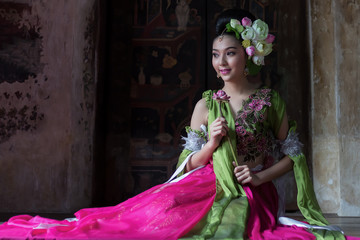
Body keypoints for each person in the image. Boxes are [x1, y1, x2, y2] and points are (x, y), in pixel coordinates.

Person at [0, 8, 358, 240]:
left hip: (251, 191)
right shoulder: (206, 103)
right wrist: (210, 145)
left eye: (230, 53)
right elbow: (187, 166)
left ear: (248, 55)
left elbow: (293, 156)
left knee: (228, 225)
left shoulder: (269, 101)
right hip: (203, 182)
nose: (221, 62)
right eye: (216, 55)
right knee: (150, 217)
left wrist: (261, 176)